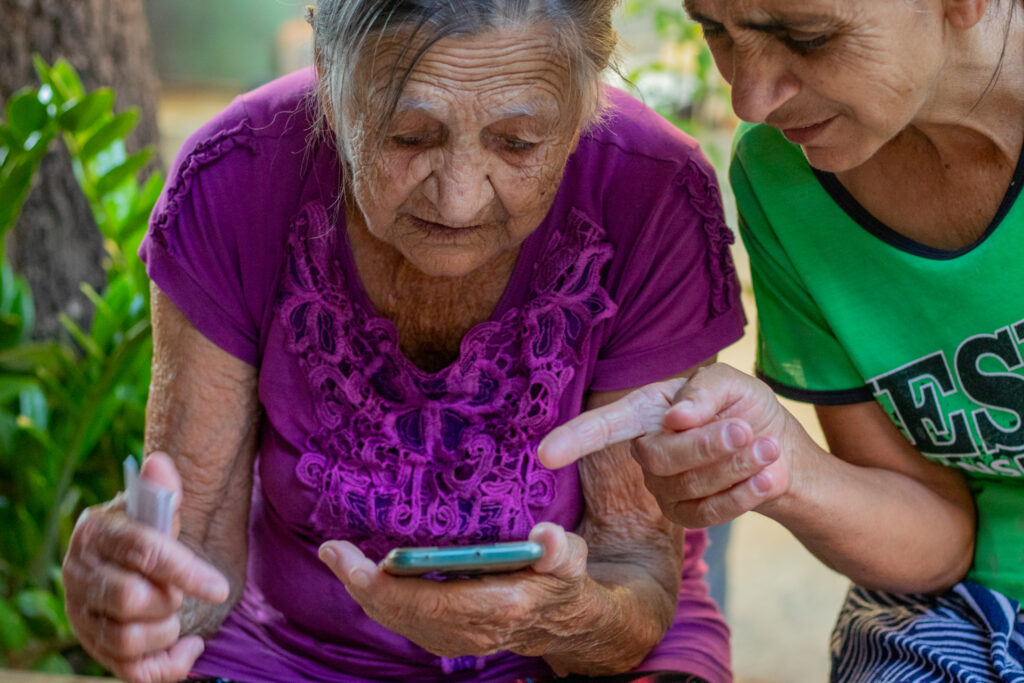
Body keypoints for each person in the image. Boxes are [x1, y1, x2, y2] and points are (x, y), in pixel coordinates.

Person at [59, 1, 748, 682]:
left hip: (582, 654)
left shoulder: (652, 189)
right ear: (329, 81)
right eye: (409, 137)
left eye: (517, 144)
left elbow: (632, 566)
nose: (458, 200)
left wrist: (557, 618)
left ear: (583, 105)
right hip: (292, 651)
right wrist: (140, 600)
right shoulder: (236, 175)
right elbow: (196, 551)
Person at [540, 0, 1024, 680]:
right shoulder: (788, 178)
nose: (750, 98)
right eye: (715, 29)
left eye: (807, 36)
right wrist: (781, 464)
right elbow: (938, 540)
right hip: (964, 607)